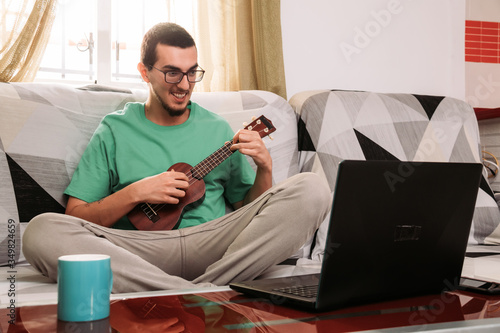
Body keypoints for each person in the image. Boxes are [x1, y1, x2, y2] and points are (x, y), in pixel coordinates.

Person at [22, 22, 330, 293]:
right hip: (137, 252)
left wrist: (265, 169)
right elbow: (77, 216)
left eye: (191, 72)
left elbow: (250, 214)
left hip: (215, 245)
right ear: (145, 72)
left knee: (313, 189)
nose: (184, 85)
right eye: (172, 73)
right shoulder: (114, 130)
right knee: (41, 231)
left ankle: (193, 288)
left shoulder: (217, 128)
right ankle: (196, 292)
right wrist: (136, 192)